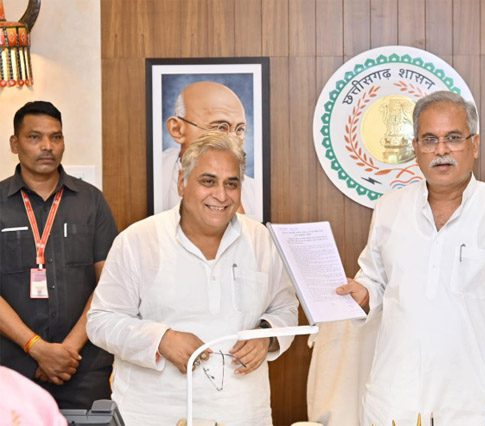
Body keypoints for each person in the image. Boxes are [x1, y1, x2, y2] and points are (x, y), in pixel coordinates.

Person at [336, 91, 485, 425]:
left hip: (475, 406)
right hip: (394, 402)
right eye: (430, 140)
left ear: (475, 144)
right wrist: (364, 294)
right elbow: (375, 279)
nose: (441, 150)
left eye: (453, 138)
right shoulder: (389, 208)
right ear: (415, 148)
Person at [87, 131, 298, 425]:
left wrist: (267, 336)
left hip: (240, 413)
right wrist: (161, 339)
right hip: (153, 414)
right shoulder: (137, 241)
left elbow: (285, 308)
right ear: (182, 182)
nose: (221, 195)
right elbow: (101, 321)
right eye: (208, 181)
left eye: (231, 184)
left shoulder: (261, 240)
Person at [0, 101, 117, 409]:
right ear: (15, 144)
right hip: (11, 369)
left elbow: (109, 284)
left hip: (82, 367)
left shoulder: (91, 201)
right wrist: (37, 348)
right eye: (34, 137)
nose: (47, 146)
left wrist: (67, 351)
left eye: (56, 137)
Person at [162, 80, 261, 220]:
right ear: (177, 129)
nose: (233, 140)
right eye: (220, 127)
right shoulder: (155, 175)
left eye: (240, 129)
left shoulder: (255, 191)